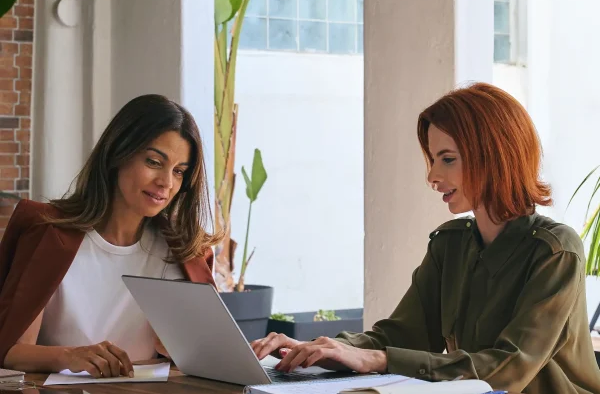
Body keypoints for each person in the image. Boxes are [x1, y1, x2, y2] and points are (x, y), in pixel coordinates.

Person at [251, 83, 600, 394]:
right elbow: (398, 337)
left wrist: (376, 358)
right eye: (433, 159)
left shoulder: (556, 251)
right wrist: (316, 348)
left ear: (494, 156)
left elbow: (507, 369)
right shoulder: (451, 244)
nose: (432, 176)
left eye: (447, 159)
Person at [0, 94, 220, 378]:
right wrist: (71, 356)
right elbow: (10, 351)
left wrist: (180, 350)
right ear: (118, 154)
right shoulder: (48, 234)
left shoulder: (186, 251)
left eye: (179, 172)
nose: (166, 182)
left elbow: (208, 358)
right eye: (154, 162)